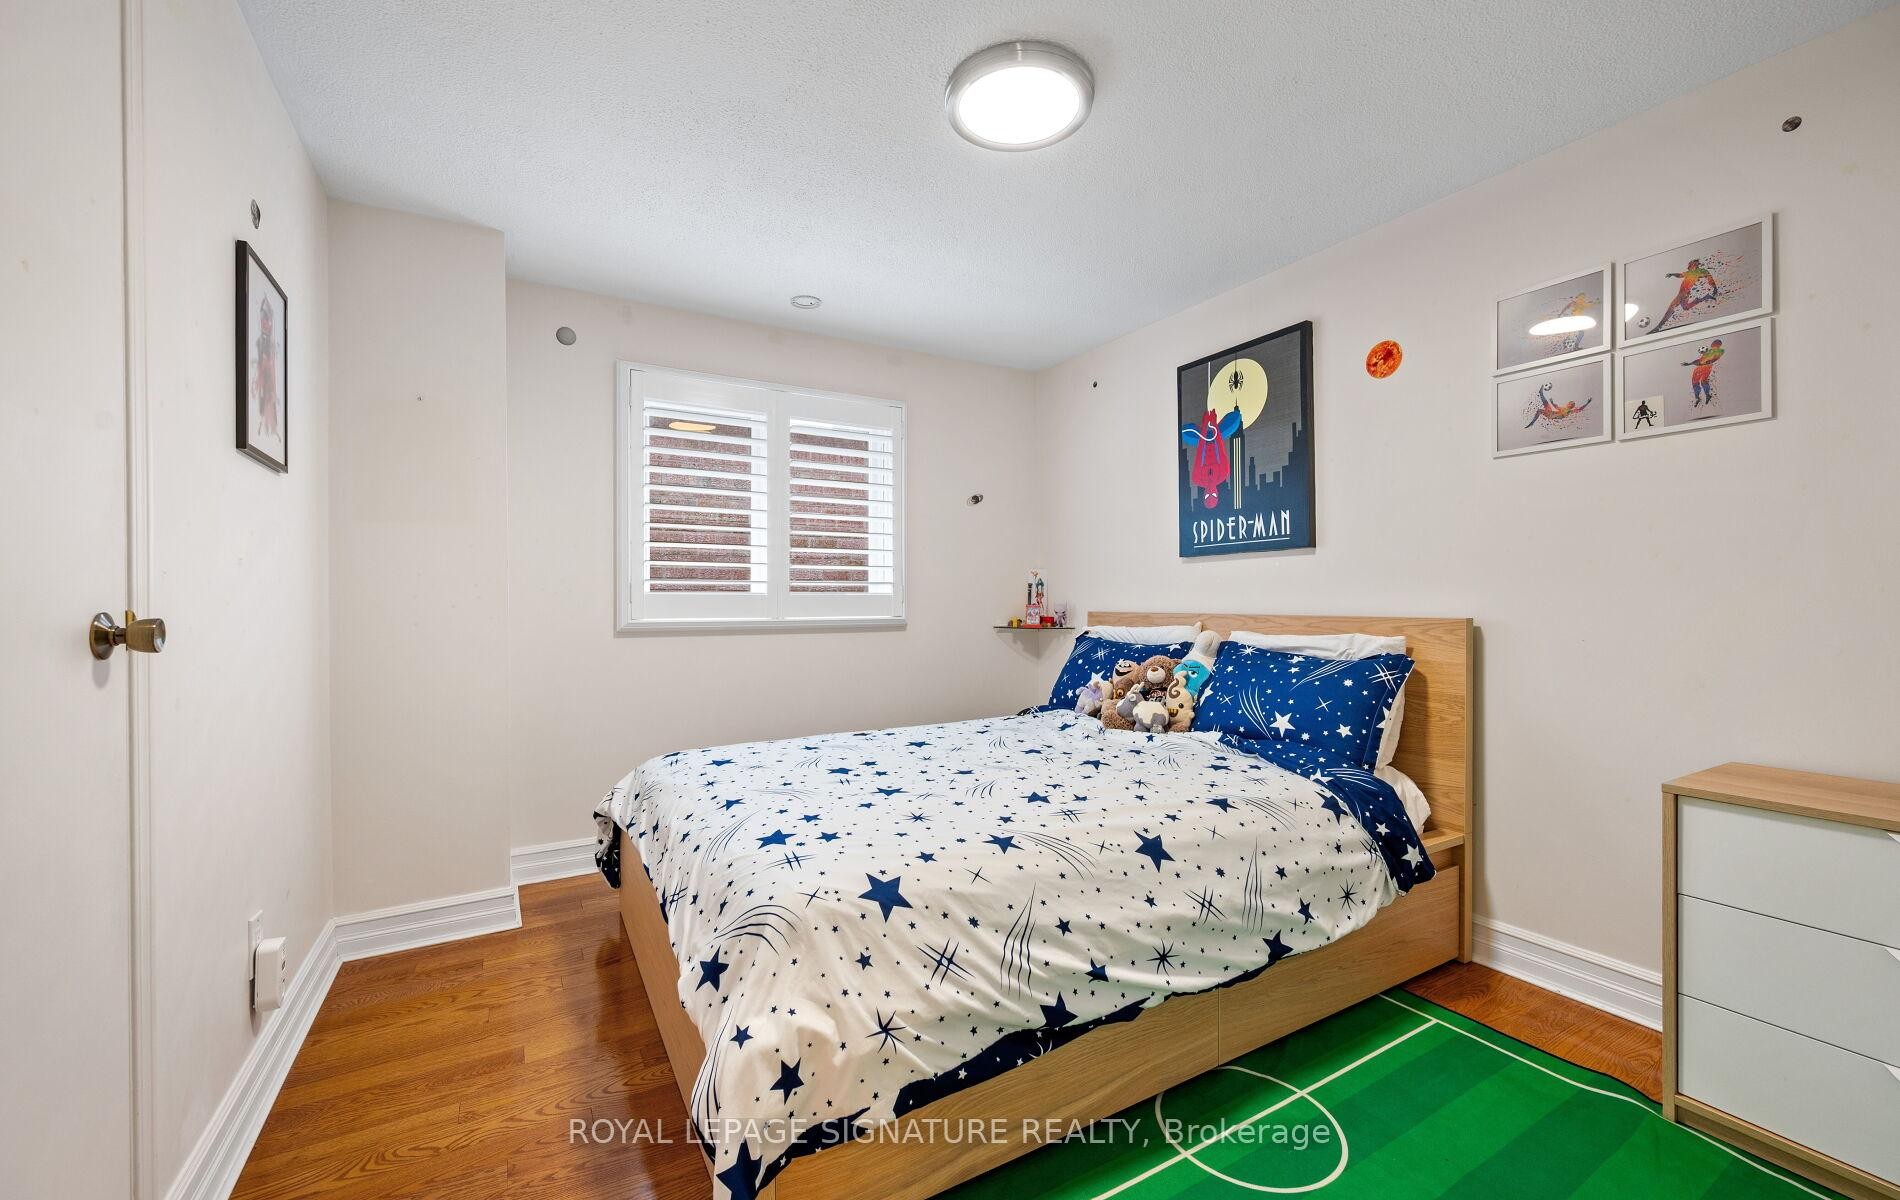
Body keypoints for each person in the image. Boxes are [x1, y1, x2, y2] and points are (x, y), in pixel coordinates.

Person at [1682, 338, 1725, 407]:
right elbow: (1699, 360)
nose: (1712, 344)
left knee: (1703, 380)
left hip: (1706, 366)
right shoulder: (1709, 351)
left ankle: (1707, 395)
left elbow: (1717, 356)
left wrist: (1711, 361)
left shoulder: (1719, 350)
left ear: (1717, 344)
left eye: (1714, 343)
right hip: (1700, 367)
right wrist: (1689, 363)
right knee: (1694, 381)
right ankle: (1697, 397)